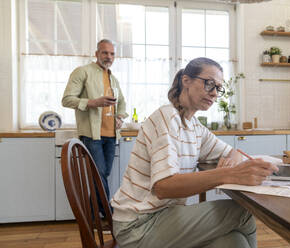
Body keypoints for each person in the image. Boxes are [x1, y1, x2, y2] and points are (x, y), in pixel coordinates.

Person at [111, 57, 278, 248]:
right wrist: (227, 174)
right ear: (186, 81)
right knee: (242, 213)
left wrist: (230, 164)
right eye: (209, 84)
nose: (214, 93)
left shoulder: (194, 127)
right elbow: (164, 187)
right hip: (138, 225)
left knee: (233, 242)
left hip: (165, 216)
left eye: (218, 88)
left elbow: (234, 151)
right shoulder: (167, 118)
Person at [62, 39, 128, 217]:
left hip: (111, 135)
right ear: (96, 53)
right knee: (98, 175)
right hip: (92, 135)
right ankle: (109, 214)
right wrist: (93, 102)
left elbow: (121, 104)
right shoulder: (82, 72)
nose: (109, 57)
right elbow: (67, 99)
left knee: (101, 175)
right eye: (105, 53)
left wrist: (120, 118)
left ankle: (91, 214)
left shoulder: (112, 78)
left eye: (112, 53)